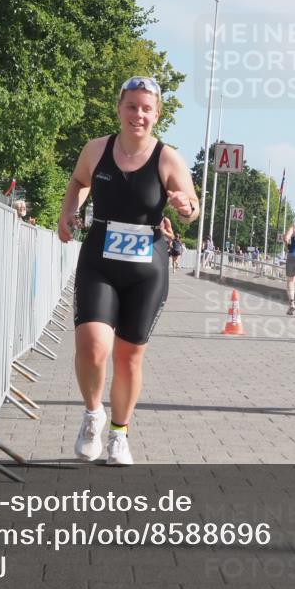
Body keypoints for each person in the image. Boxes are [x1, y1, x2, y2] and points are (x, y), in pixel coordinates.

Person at [58, 76, 199, 465]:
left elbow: (192, 207)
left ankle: (119, 435)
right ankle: (93, 416)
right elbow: (78, 181)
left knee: (128, 356)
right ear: (120, 108)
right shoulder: (96, 149)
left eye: (146, 109)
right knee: (92, 345)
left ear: (157, 114)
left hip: (146, 270)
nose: (139, 115)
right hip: (99, 262)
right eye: (132, 106)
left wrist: (185, 207)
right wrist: (67, 213)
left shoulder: (167, 158)